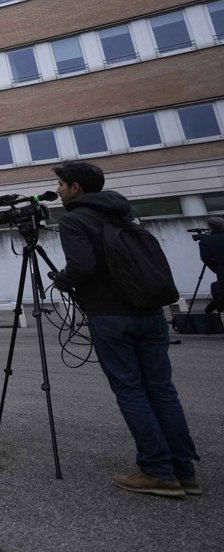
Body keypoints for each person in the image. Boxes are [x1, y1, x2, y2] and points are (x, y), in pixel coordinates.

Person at [48, 161, 200, 498]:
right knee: (162, 390)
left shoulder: (73, 220)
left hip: (110, 315)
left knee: (131, 391)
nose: (58, 190)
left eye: (61, 184)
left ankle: (157, 471)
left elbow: (82, 266)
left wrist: (60, 280)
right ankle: (183, 470)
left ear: (76, 188)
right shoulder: (122, 215)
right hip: (150, 311)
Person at [198, 217, 224, 315]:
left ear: (210, 227)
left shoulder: (206, 240)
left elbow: (205, 257)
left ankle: (210, 310)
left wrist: (216, 268)